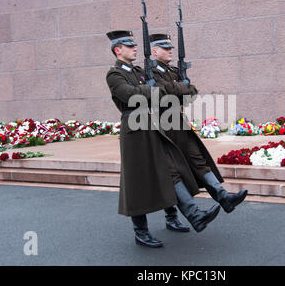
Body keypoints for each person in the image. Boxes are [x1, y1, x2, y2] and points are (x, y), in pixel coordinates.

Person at [105, 30, 220, 248]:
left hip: (154, 126)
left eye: (134, 45)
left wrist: (151, 90)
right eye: (129, 46)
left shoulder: (140, 71)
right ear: (117, 50)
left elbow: (160, 90)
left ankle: (193, 215)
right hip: (135, 131)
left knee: (170, 170)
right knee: (136, 181)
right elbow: (130, 95)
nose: (135, 48)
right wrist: (150, 90)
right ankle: (141, 231)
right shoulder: (114, 74)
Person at [149, 33, 248, 213]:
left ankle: (223, 197)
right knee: (172, 171)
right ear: (154, 52)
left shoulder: (172, 72)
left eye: (170, 47)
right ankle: (174, 216)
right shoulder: (151, 73)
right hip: (163, 126)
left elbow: (191, 93)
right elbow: (166, 91)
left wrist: (182, 88)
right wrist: (182, 87)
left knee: (198, 160)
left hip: (179, 122)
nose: (170, 50)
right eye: (165, 48)